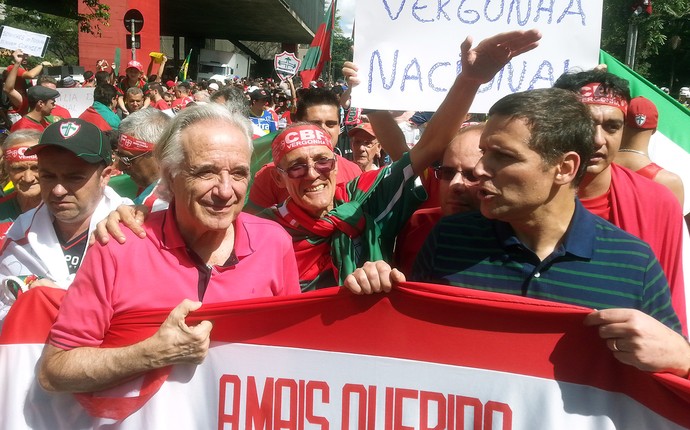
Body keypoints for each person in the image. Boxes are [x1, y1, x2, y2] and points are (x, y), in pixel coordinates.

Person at [344, 88, 690, 378]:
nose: (480, 169)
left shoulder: (633, 262)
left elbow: (670, 372)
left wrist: (682, 360)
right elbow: (411, 345)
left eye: (502, 156)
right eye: (484, 152)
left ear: (564, 168)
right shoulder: (450, 238)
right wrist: (378, 294)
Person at [38, 104, 300, 393]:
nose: (226, 191)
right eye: (206, 173)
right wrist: (149, 354)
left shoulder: (274, 243)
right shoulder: (118, 246)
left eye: (238, 174)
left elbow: (292, 350)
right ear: (170, 177)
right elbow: (55, 371)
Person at [553, 70, 689, 334]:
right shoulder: (521, 194)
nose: (597, 139)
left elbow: (671, 305)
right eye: (585, 123)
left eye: (612, 126)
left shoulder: (658, 202)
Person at [0, 118, 131, 323]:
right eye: (48, 176)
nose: (58, 191)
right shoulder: (18, 234)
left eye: (74, 178)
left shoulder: (135, 227)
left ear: (105, 176)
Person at [245, 87, 363, 214]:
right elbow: (253, 225)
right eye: (315, 123)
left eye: (330, 124)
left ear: (339, 127)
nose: (323, 130)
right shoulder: (269, 175)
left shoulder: (353, 171)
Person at [393, 123, 484, 274]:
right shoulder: (417, 224)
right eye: (447, 173)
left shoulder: (518, 237)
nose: (455, 184)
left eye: (472, 175)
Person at [617, 96, 684, 207]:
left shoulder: (597, 167)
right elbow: (673, 223)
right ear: (654, 130)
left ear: (621, 124)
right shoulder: (670, 182)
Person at [116, 108, 170, 209]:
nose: (120, 167)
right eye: (119, 155)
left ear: (160, 153)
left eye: (128, 159)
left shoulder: (155, 206)